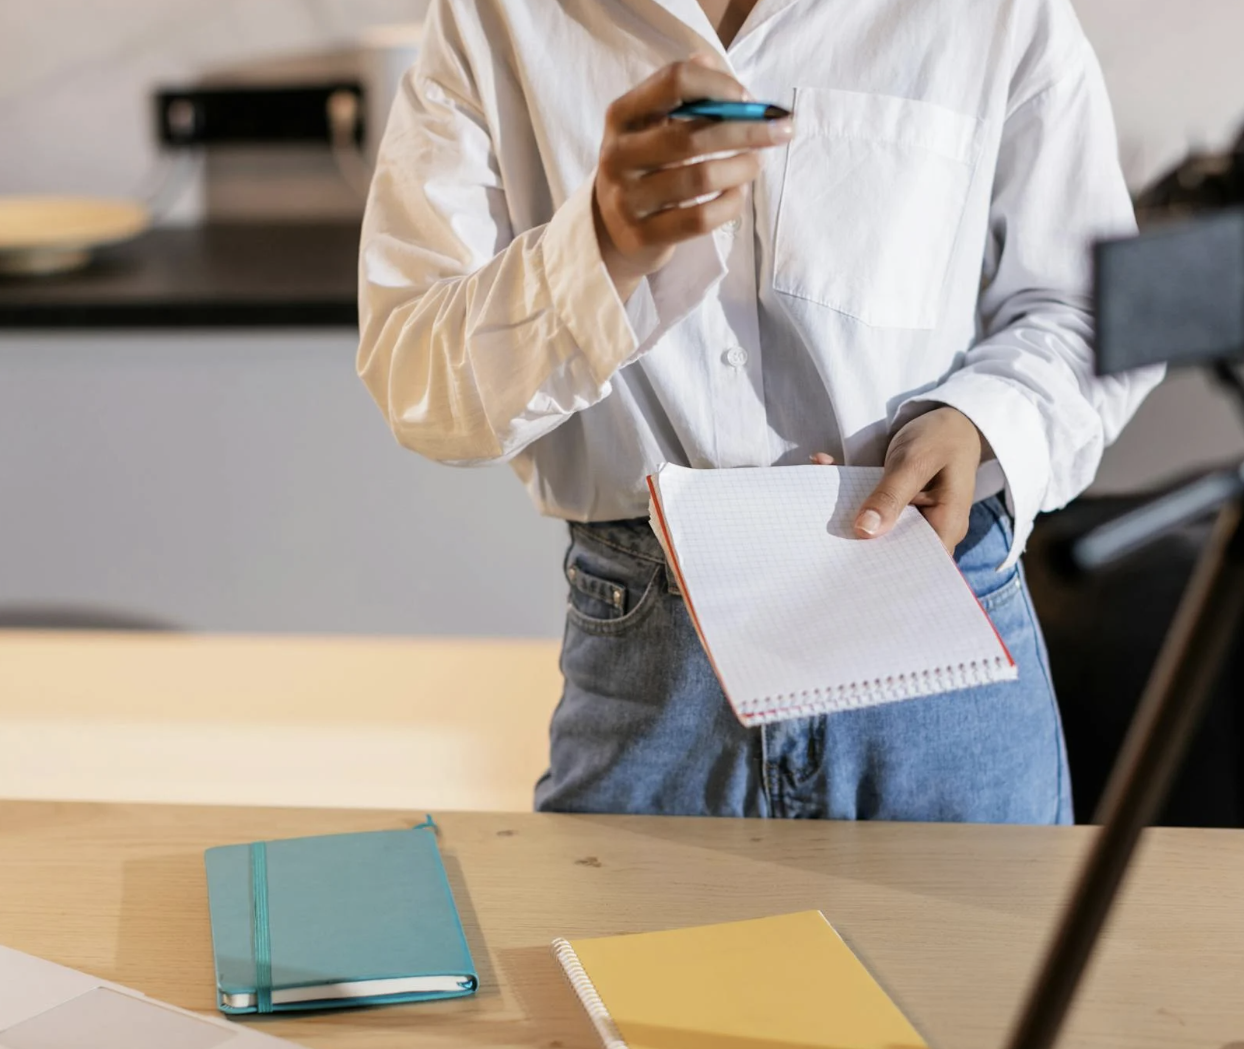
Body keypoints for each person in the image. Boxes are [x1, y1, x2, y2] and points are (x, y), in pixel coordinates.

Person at [357, 0, 1161, 823]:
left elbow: (1096, 308)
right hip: (649, 662)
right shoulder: (497, 16)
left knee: (984, 957)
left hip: (935, 624)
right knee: (622, 957)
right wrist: (596, 249)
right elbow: (417, 376)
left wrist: (982, 418)